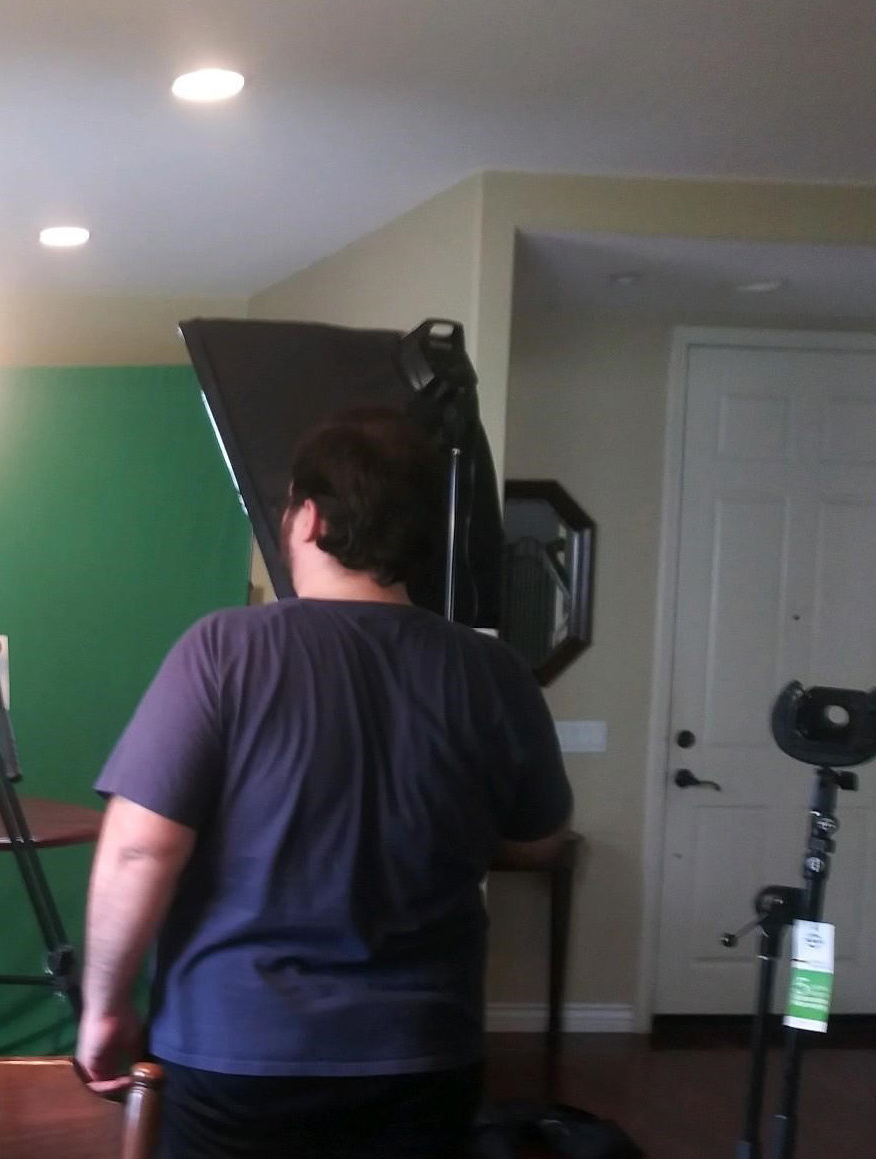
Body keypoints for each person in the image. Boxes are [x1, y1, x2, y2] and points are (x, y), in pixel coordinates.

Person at [76, 408, 572, 1159]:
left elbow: (139, 850)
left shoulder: (222, 649)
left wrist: (104, 1007)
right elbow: (540, 842)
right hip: (424, 1052)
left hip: (235, 1050)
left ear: (306, 517)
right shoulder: (493, 672)